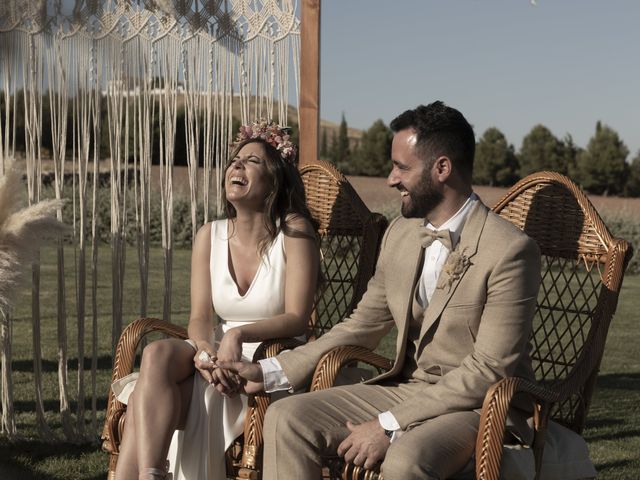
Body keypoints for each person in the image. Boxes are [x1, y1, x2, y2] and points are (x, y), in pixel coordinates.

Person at [220, 101, 542, 479]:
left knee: (406, 458)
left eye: (402, 167)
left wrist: (389, 424)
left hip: (479, 407)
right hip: (408, 387)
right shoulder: (401, 234)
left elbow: (489, 369)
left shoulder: (510, 250)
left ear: (442, 169)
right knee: (286, 418)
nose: (391, 179)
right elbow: (361, 325)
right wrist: (268, 372)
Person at [111, 121, 320, 480]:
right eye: (235, 160)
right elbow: (200, 316)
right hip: (216, 348)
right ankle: (152, 473)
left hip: (272, 354)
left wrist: (238, 337)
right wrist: (205, 353)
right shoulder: (210, 234)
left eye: (252, 160)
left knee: (141, 405)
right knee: (155, 354)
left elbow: (298, 318)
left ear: (275, 179)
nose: (236, 166)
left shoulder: (295, 230)